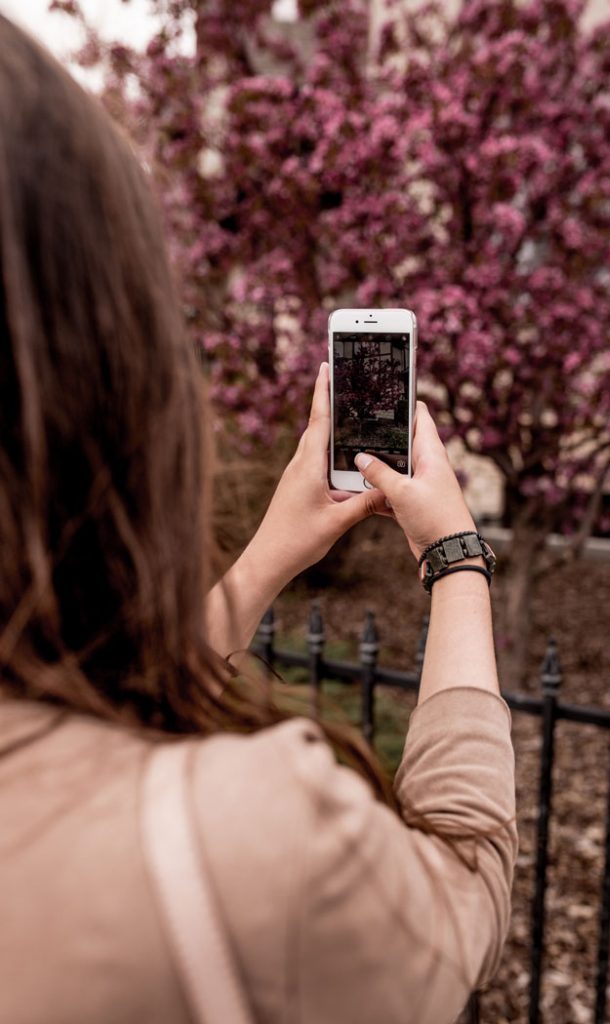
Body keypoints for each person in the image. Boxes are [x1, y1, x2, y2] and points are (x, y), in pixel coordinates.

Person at [0, 15, 517, 1024]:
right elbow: (463, 884)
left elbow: (89, 706)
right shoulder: (238, 846)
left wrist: (267, 555)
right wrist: (455, 558)